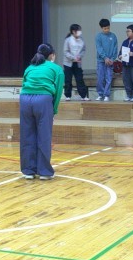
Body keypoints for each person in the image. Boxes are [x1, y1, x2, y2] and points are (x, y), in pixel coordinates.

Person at [19, 43, 64, 180]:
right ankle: (44, 172)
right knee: (44, 136)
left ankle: (28, 170)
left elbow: (24, 84)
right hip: (43, 100)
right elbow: (58, 91)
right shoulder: (56, 69)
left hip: (25, 99)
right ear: (52, 55)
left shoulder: (29, 67)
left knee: (27, 135)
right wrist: (54, 110)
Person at [62, 23, 89, 101]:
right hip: (68, 63)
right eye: (78, 30)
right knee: (68, 79)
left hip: (78, 63)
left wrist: (80, 56)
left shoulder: (81, 40)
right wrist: (73, 58)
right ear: (73, 31)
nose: (80, 32)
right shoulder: (68, 40)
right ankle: (68, 95)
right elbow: (66, 52)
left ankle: (83, 95)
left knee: (79, 79)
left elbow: (83, 50)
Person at [95, 18, 117, 102]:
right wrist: (105, 58)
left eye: (108, 28)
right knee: (100, 78)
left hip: (110, 61)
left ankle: (106, 95)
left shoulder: (113, 36)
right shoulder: (98, 36)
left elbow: (115, 48)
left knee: (109, 78)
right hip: (101, 61)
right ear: (101, 28)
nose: (107, 30)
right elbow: (99, 48)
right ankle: (100, 94)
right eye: (105, 28)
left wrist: (112, 59)